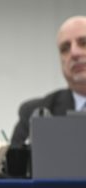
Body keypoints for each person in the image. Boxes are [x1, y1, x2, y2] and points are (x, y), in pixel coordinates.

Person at [9, 15, 86, 148]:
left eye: (84, 43)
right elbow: (16, 161)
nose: (74, 53)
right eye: (65, 48)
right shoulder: (36, 114)